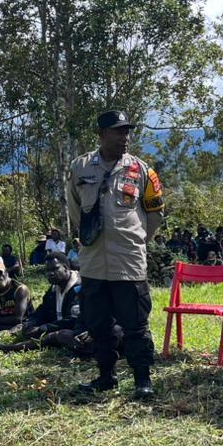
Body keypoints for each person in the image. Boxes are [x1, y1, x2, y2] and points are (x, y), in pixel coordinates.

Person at [67, 109, 164, 398]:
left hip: (128, 262)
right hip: (94, 262)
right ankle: (106, 376)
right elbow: (75, 208)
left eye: (127, 131)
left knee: (135, 324)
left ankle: (142, 380)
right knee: (99, 325)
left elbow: (155, 213)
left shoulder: (142, 170)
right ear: (102, 134)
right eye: (118, 131)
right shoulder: (80, 167)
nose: (125, 137)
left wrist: (136, 240)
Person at [0, 252, 90, 354]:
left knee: (59, 335)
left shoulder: (79, 288)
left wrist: (44, 328)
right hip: (62, 329)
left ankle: (8, 348)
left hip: (81, 333)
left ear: (66, 268)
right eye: (47, 270)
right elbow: (42, 311)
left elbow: (74, 320)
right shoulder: (53, 289)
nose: (50, 273)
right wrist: (31, 323)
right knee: (41, 332)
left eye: (55, 269)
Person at [0, 255, 32, 331]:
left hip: (24, 325)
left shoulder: (19, 289)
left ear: (6, 272)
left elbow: (18, 319)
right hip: (3, 326)